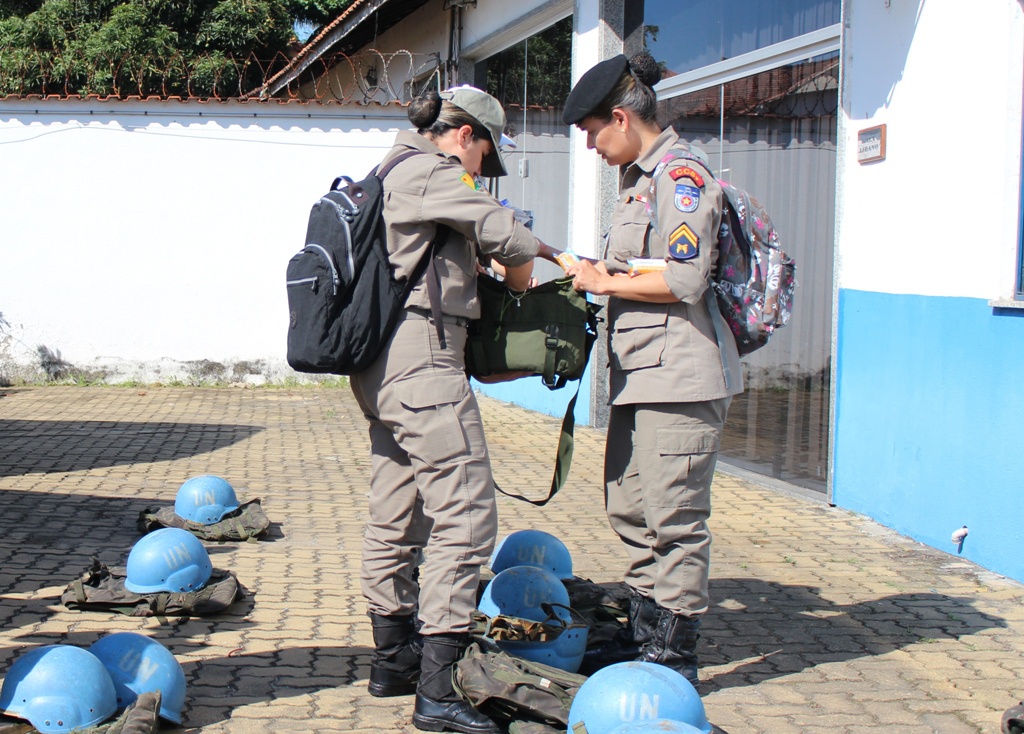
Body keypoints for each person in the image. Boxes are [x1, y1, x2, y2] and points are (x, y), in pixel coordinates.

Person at [349, 84, 559, 734]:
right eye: (484, 156)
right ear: (465, 134)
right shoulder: (431, 171)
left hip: (380, 368)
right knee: (465, 518)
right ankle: (438, 694)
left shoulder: (385, 172)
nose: (479, 172)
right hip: (423, 366)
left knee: (398, 510)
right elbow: (511, 240)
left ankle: (394, 660)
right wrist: (533, 272)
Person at [561, 52, 744, 688]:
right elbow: (637, 270)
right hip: (641, 378)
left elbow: (687, 278)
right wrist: (588, 272)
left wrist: (602, 279)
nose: (591, 147)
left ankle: (673, 657)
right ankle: (643, 634)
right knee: (632, 512)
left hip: (680, 379)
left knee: (676, 520)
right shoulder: (639, 183)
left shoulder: (681, 176)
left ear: (619, 117)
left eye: (591, 133)